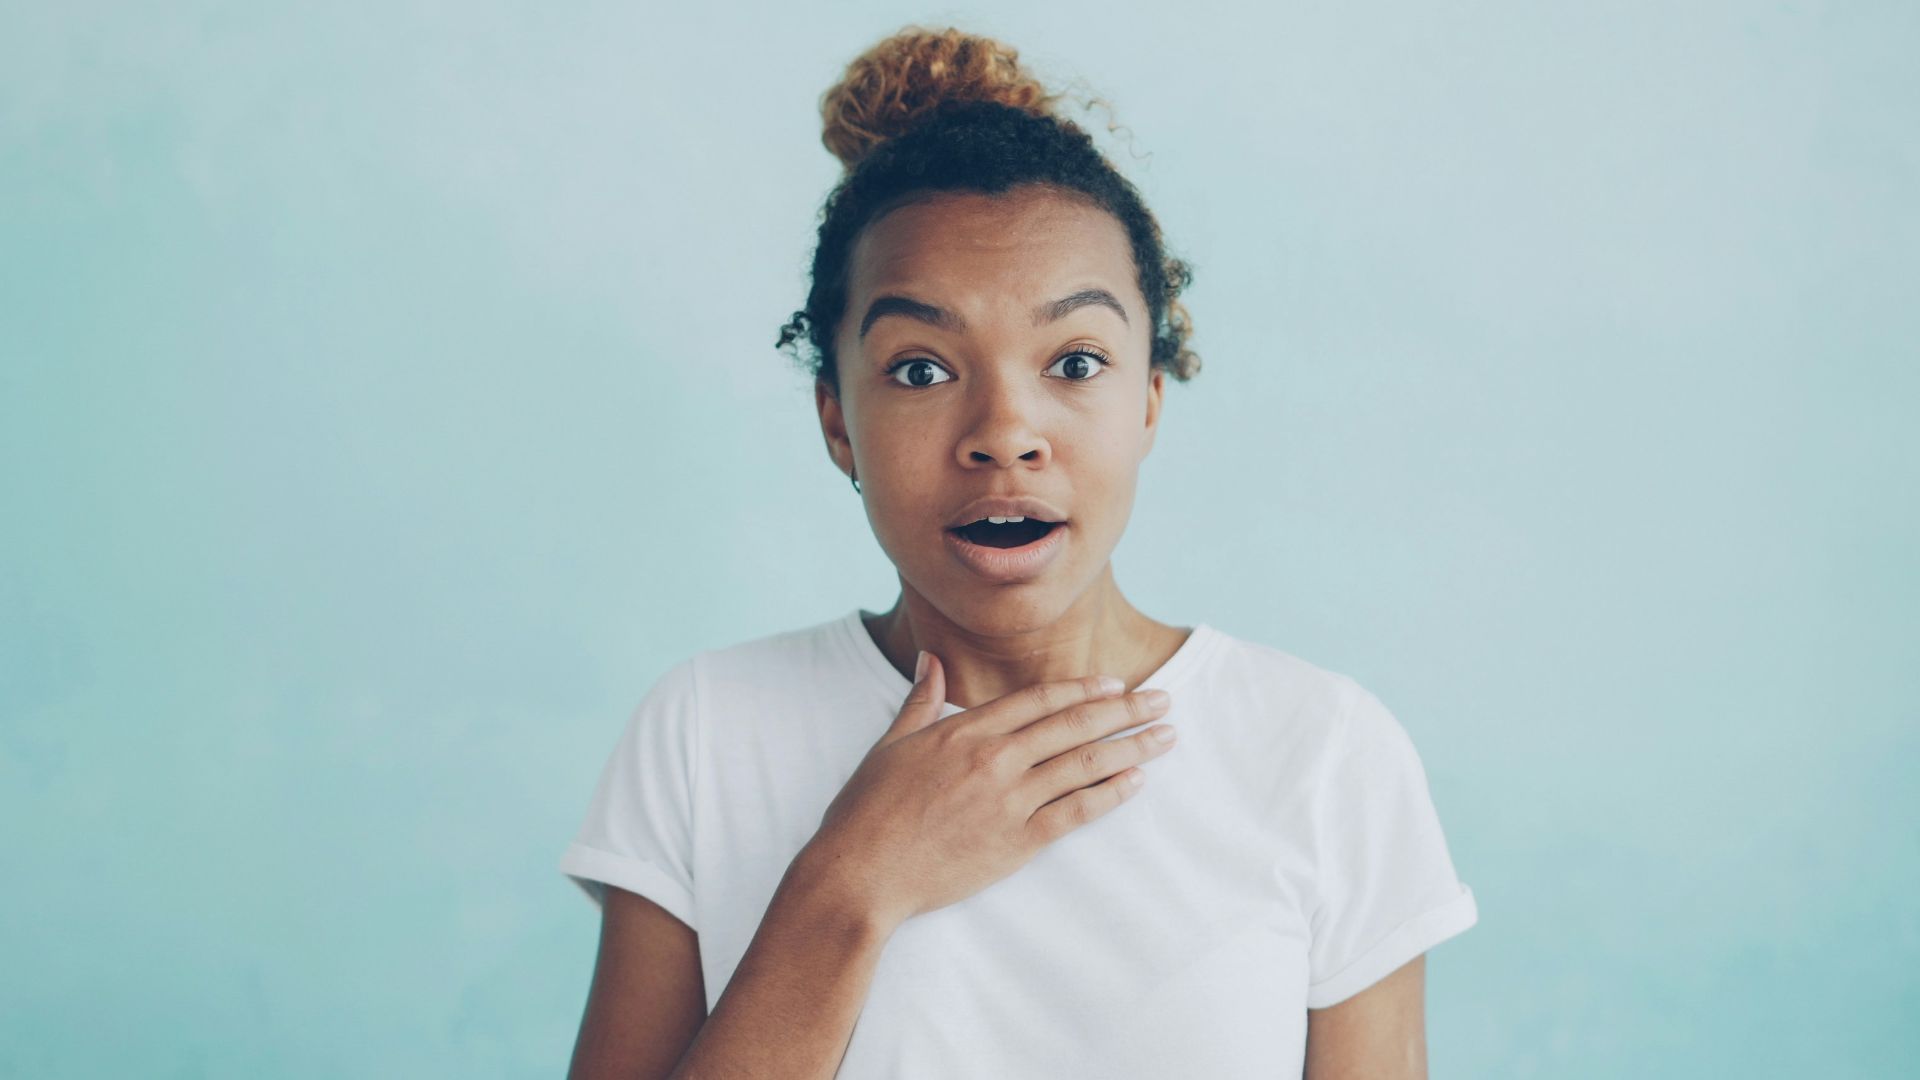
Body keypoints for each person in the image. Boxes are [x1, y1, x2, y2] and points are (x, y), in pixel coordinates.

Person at [558, 24, 1477, 1080]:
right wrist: (852, 884)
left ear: (1146, 403)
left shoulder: (1324, 754)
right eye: (919, 370)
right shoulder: (705, 733)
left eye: (1074, 361)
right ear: (837, 423)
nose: (1004, 429)